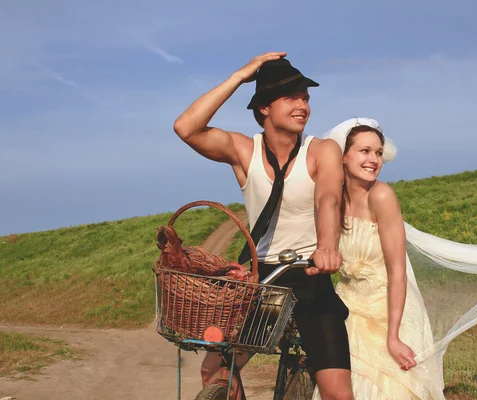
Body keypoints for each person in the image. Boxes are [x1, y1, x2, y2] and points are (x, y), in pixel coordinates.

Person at [173, 52, 354, 400]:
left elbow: (328, 199)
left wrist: (327, 246)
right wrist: (241, 76)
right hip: (263, 277)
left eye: (305, 98)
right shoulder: (244, 150)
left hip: (310, 271)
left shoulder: (322, 150)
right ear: (264, 108)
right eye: (291, 97)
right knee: (215, 371)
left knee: (337, 393)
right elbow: (186, 127)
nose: (303, 105)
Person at [314, 118, 444, 400]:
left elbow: (398, 271)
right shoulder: (333, 200)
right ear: (343, 157)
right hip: (348, 306)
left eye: (378, 152)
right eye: (364, 151)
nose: (374, 159)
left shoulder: (382, 196)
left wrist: (394, 337)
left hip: (390, 309)